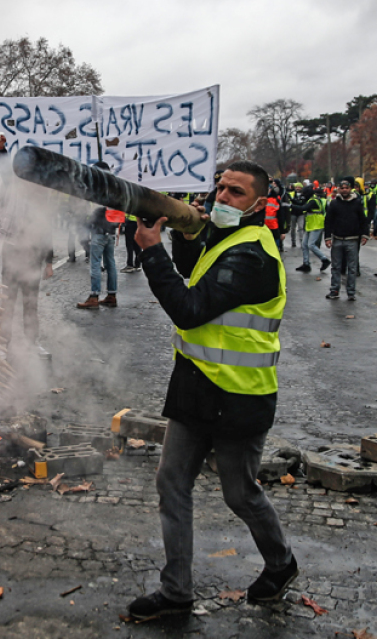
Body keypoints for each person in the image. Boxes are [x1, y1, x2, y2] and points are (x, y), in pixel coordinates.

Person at [127, 160, 296, 621]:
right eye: (220, 188)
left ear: (260, 203)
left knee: (239, 494)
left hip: (239, 397)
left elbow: (190, 307)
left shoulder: (253, 255)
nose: (221, 198)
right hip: (196, 388)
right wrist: (181, 236)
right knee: (171, 481)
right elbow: (195, 267)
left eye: (236, 192)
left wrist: (150, 251)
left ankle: (281, 563)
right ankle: (176, 591)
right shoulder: (227, 237)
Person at [0, 134, 54, 358]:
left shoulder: (41, 193)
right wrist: (2, 149)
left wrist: (48, 261)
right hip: (11, 250)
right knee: (7, 300)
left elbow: (46, 227)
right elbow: (4, 170)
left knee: (31, 302)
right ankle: (3, 344)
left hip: (32, 253)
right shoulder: (12, 184)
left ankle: (32, 343)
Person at [78, 163, 122, 309]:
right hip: (111, 231)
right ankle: (111, 295)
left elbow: (94, 209)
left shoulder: (99, 188)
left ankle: (94, 296)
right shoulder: (116, 186)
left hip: (99, 230)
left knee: (95, 263)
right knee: (110, 264)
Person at [323, 179, 368, 301]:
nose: (344, 190)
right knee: (336, 267)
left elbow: (363, 220)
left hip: (352, 240)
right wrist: (327, 237)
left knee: (352, 268)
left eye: (346, 188)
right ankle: (334, 290)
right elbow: (328, 221)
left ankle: (351, 292)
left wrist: (365, 234)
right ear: (338, 189)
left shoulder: (357, 203)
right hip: (337, 239)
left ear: (350, 189)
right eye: (342, 188)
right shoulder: (334, 204)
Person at [291, 183, 329, 273]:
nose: (303, 196)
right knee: (304, 244)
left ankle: (324, 259)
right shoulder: (310, 199)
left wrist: (290, 206)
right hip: (310, 224)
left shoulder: (313, 201)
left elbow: (303, 208)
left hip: (316, 224)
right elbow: (301, 204)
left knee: (311, 245)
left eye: (304, 194)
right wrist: (291, 200)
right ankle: (306, 264)